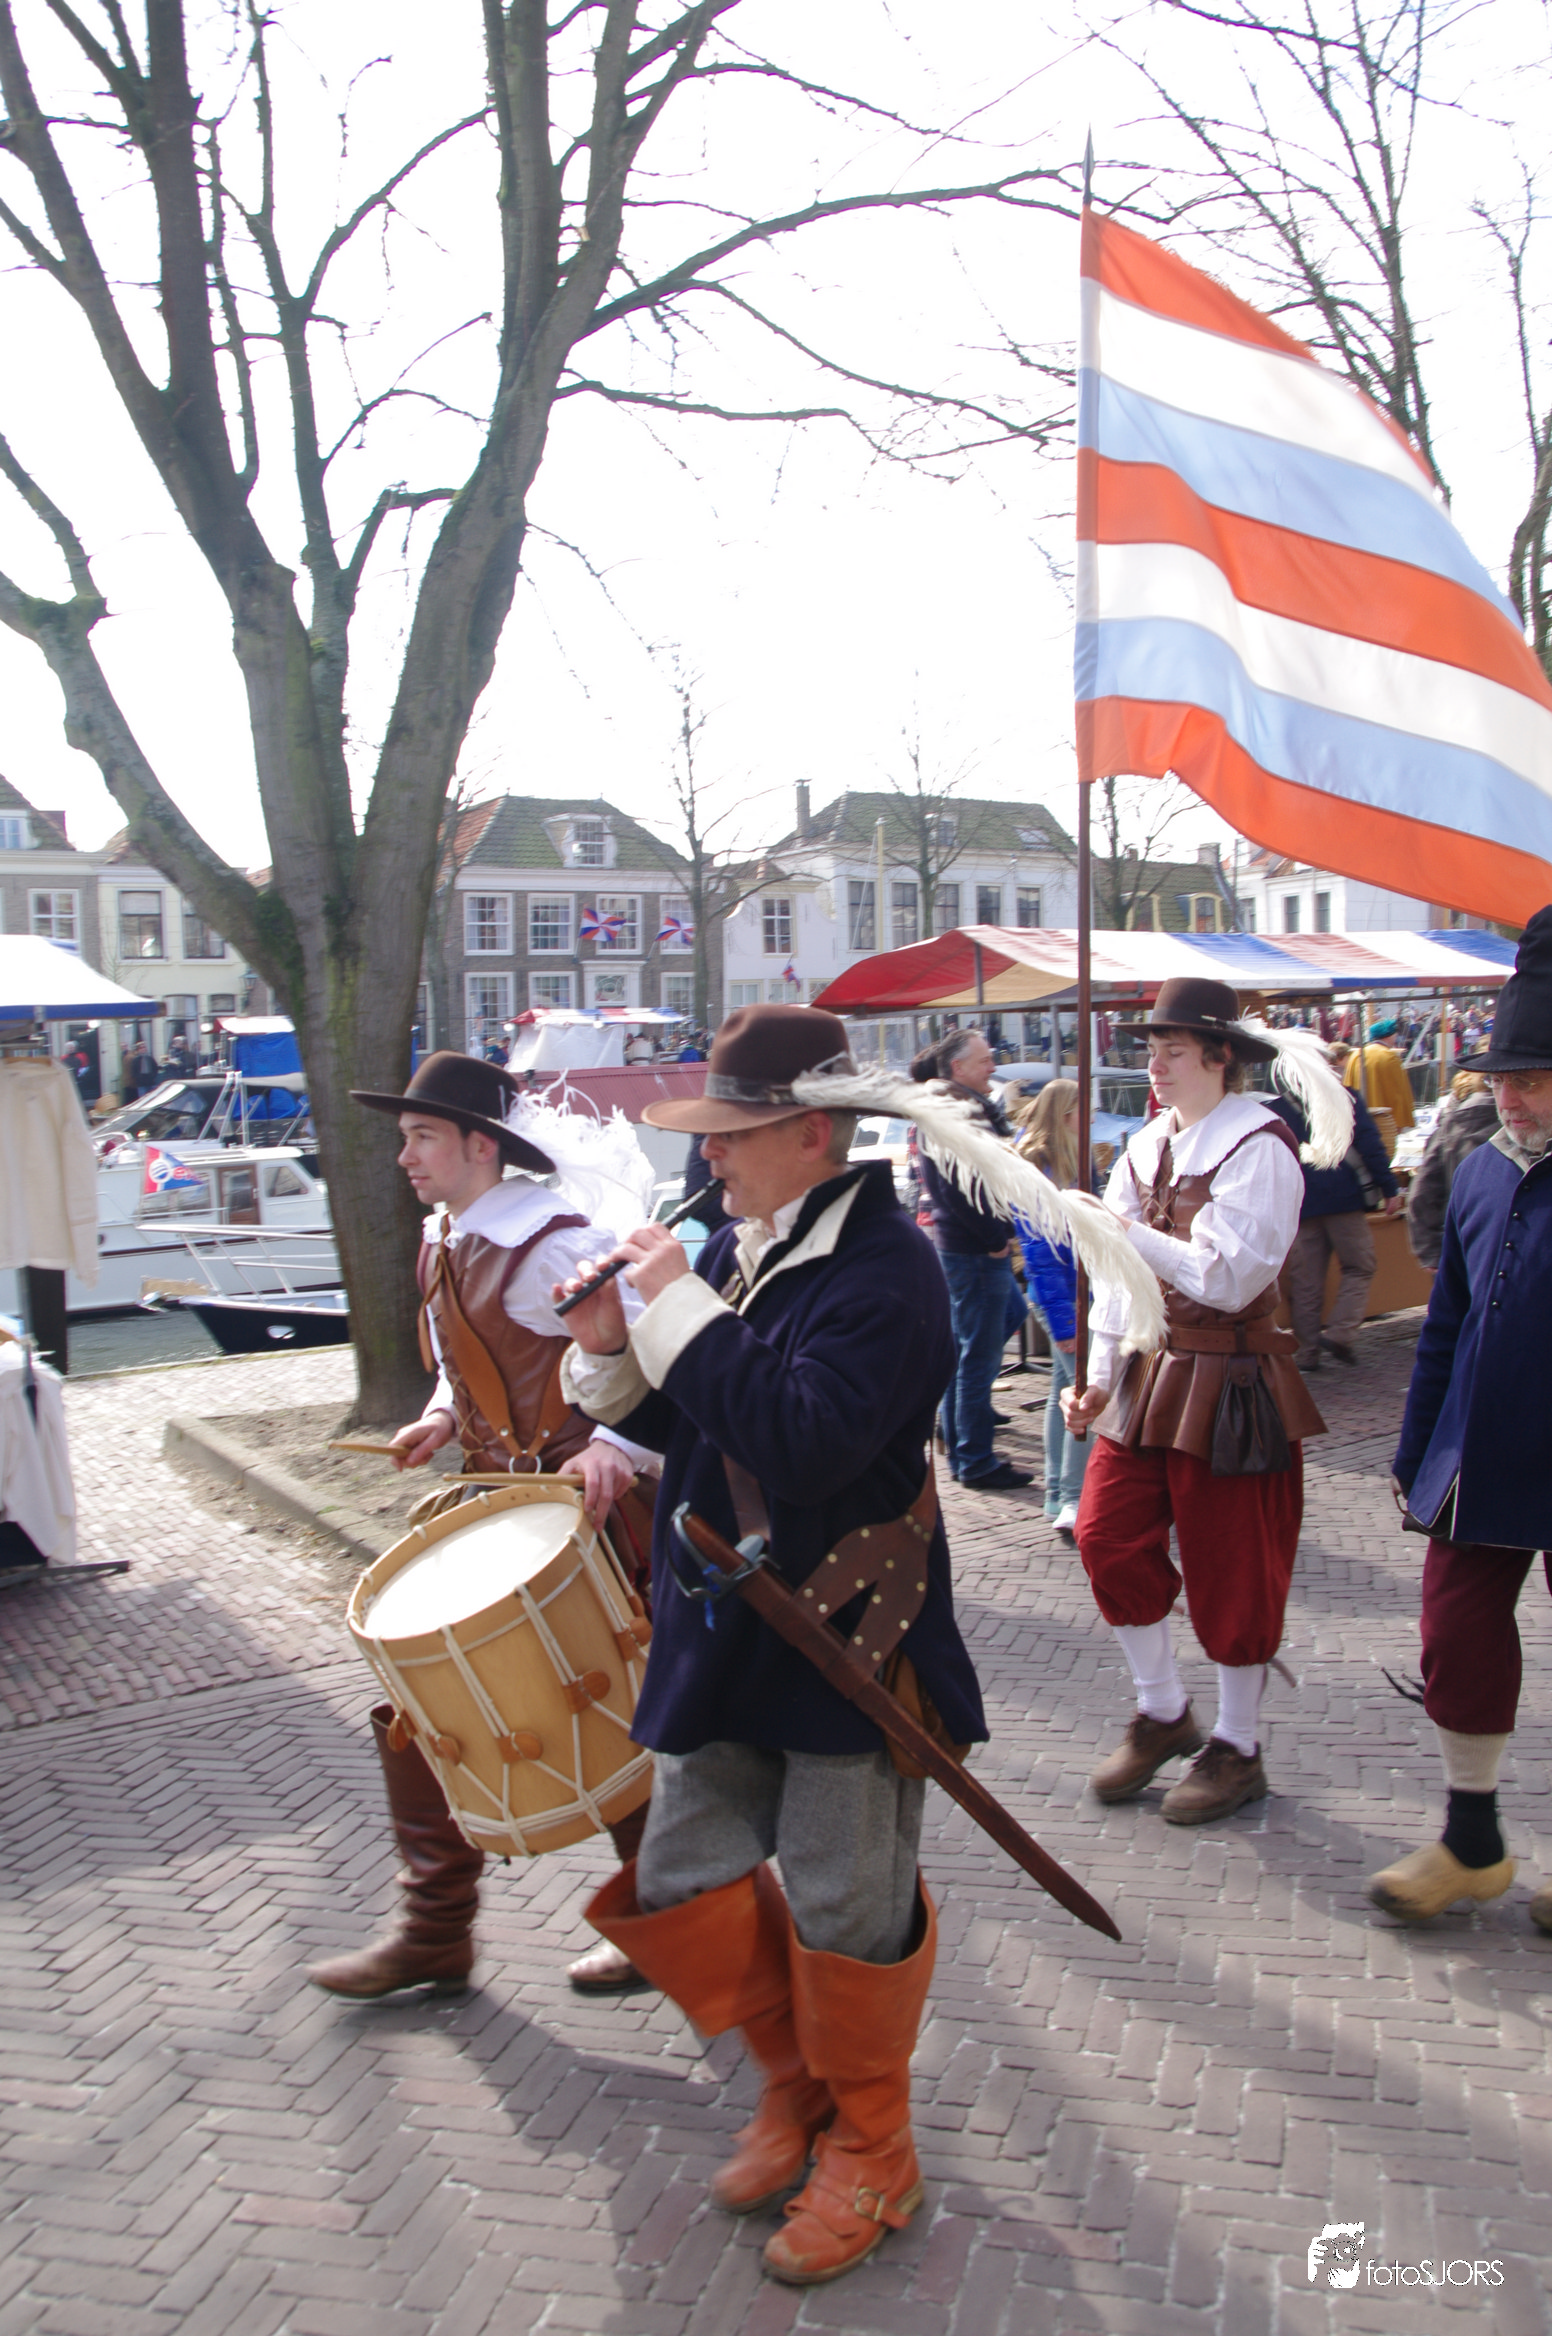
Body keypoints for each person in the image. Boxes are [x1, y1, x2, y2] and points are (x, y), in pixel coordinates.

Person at [558, 1005, 987, 2286]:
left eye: (731, 1134)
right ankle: (792, 2089)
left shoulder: (890, 1269)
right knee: (684, 1869)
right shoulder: (734, 1243)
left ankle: (874, 2144)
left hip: (847, 1630)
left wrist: (677, 1305)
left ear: (809, 1133)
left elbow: (801, 1438)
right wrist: (608, 1345)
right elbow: (677, 1407)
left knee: (846, 1896)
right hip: (723, 1620)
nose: (709, 1156)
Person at [307, 1052, 661, 2003]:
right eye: (404, 1137)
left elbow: (659, 1352)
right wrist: (439, 1416)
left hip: (589, 1518)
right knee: (428, 1704)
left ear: (480, 1146)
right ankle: (434, 1932)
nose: (405, 1157)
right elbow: (466, 1363)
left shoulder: (551, 1243)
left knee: (613, 1714)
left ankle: (660, 1923)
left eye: (423, 1137)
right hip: (505, 1507)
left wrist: (618, 1445)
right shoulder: (448, 1237)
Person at [1062, 979, 1349, 1825]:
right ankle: (1162, 1710)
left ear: (1220, 1058)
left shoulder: (1261, 1147)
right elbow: (1119, 1280)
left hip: (1233, 1379)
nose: (1154, 1065)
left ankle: (1238, 1746)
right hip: (1150, 1374)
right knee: (1106, 1536)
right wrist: (1100, 1377)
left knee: (1234, 1565)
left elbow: (1228, 1280)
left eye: (1174, 1050)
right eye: (1151, 1049)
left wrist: (1126, 1233)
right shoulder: (1145, 1146)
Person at [1367, 910, 1552, 1928]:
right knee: (1455, 1632)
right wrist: (1414, 1450)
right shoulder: (1480, 1168)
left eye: (1531, 1077)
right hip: (1478, 1454)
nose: (1507, 1095)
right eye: (1500, 1076)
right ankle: (1471, 1840)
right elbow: (1443, 1323)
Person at [912, 1029, 1030, 1491]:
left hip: (965, 1247)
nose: (993, 1068)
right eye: (985, 1061)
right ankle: (975, 1458)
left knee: (972, 1348)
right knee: (977, 1357)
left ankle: (963, 1443)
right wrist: (995, 1238)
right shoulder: (955, 1113)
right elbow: (962, 1189)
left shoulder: (946, 1109)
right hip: (973, 1250)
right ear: (958, 1068)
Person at [1271, 1077, 1402, 1369]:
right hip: (1345, 1198)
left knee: (1306, 1282)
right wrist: (1389, 1188)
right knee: (1360, 1266)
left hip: (1301, 1203)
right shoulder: (1345, 1098)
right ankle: (1341, 1332)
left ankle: (1306, 1352)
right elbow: (1370, 1144)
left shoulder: (1276, 1109)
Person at [1012, 1080, 1091, 1538]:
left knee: (1065, 1390)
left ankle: (1059, 1494)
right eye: (1086, 1109)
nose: (1093, 1116)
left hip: (1071, 1293)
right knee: (1082, 1394)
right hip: (1062, 1297)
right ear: (1066, 1115)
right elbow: (1040, 1253)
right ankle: (1073, 1498)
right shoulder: (1039, 1166)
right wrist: (1064, 1322)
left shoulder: (1068, 1159)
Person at [1404, 1070, 1499, 1269]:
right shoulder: (1531, 1125)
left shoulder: (1452, 1125)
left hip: (1461, 1245)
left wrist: (1433, 1254)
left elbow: (1421, 1194)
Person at [1342, 1018, 1415, 1132]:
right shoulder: (1390, 1057)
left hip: (1359, 1120)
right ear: (1389, 1035)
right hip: (1384, 1123)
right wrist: (1401, 1122)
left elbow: (1347, 1088)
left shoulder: (1356, 1055)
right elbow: (1400, 1093)